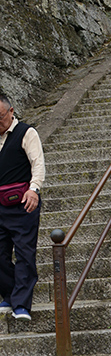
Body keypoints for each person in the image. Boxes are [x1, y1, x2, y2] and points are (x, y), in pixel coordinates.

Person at [0, 93, 45, 321]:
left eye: (0, 117)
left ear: (11, 111)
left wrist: (34, 189)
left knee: (25, 254)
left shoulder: (27, 133)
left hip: (23, 203)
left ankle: (21, 303)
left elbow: (38, 164)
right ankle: (9, 295)